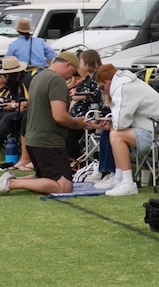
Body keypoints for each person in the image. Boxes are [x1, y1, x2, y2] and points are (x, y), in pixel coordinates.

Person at [0, 52, 86, 196]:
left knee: (46, 178)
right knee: (64, 187)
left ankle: (9, 180)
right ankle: (11, 183)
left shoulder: (38, 77)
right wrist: (77, 123)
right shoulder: (56, 80)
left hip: (34, 139)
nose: (71, 76)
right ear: (67, 64)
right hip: (48, 141)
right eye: (73, 72)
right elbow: (59, 116)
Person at [92, 64, 159, 196]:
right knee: (114, 133)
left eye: (102, 87)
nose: (102, 91)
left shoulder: (124, 88)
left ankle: (128, 183)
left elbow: (120, 123)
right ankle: (119, 178)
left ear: (108, 82)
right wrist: (112, 122)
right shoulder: (128, 83)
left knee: (117, 135)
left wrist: (113, 123)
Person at [66, 50, 104, 165]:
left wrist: (80, 97)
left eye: (81, 61)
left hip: (91, 114)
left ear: (87, 62)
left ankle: (76, 160)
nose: (79, 64)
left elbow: (99, 95)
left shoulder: (99, 76)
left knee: (68, 130)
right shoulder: (87, 78)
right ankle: (73, 159)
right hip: (78, 113)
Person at [0, 57, 34, 169]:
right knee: (3, 115)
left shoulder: (27, 80)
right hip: (21, 110)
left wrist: (14, 105)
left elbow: (32, 100)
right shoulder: (17, 82)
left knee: (8, 118)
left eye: (8, 75)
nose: (6, 78)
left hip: (32, 112)